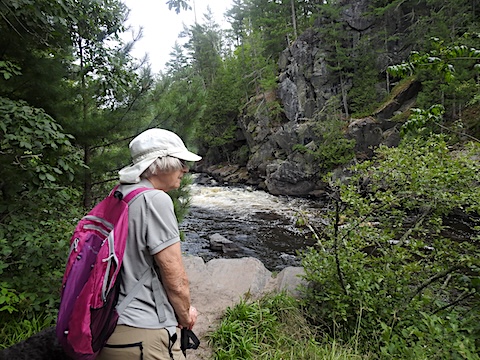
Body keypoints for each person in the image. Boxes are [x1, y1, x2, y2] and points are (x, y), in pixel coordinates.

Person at [97, 128, 200, 360]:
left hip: (108, 329)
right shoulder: (155, 199)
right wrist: (185, 316)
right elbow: (174, 277)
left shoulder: (120, 194)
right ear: (161, 164)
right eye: (180, 162)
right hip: (143, 336)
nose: (185, 169)